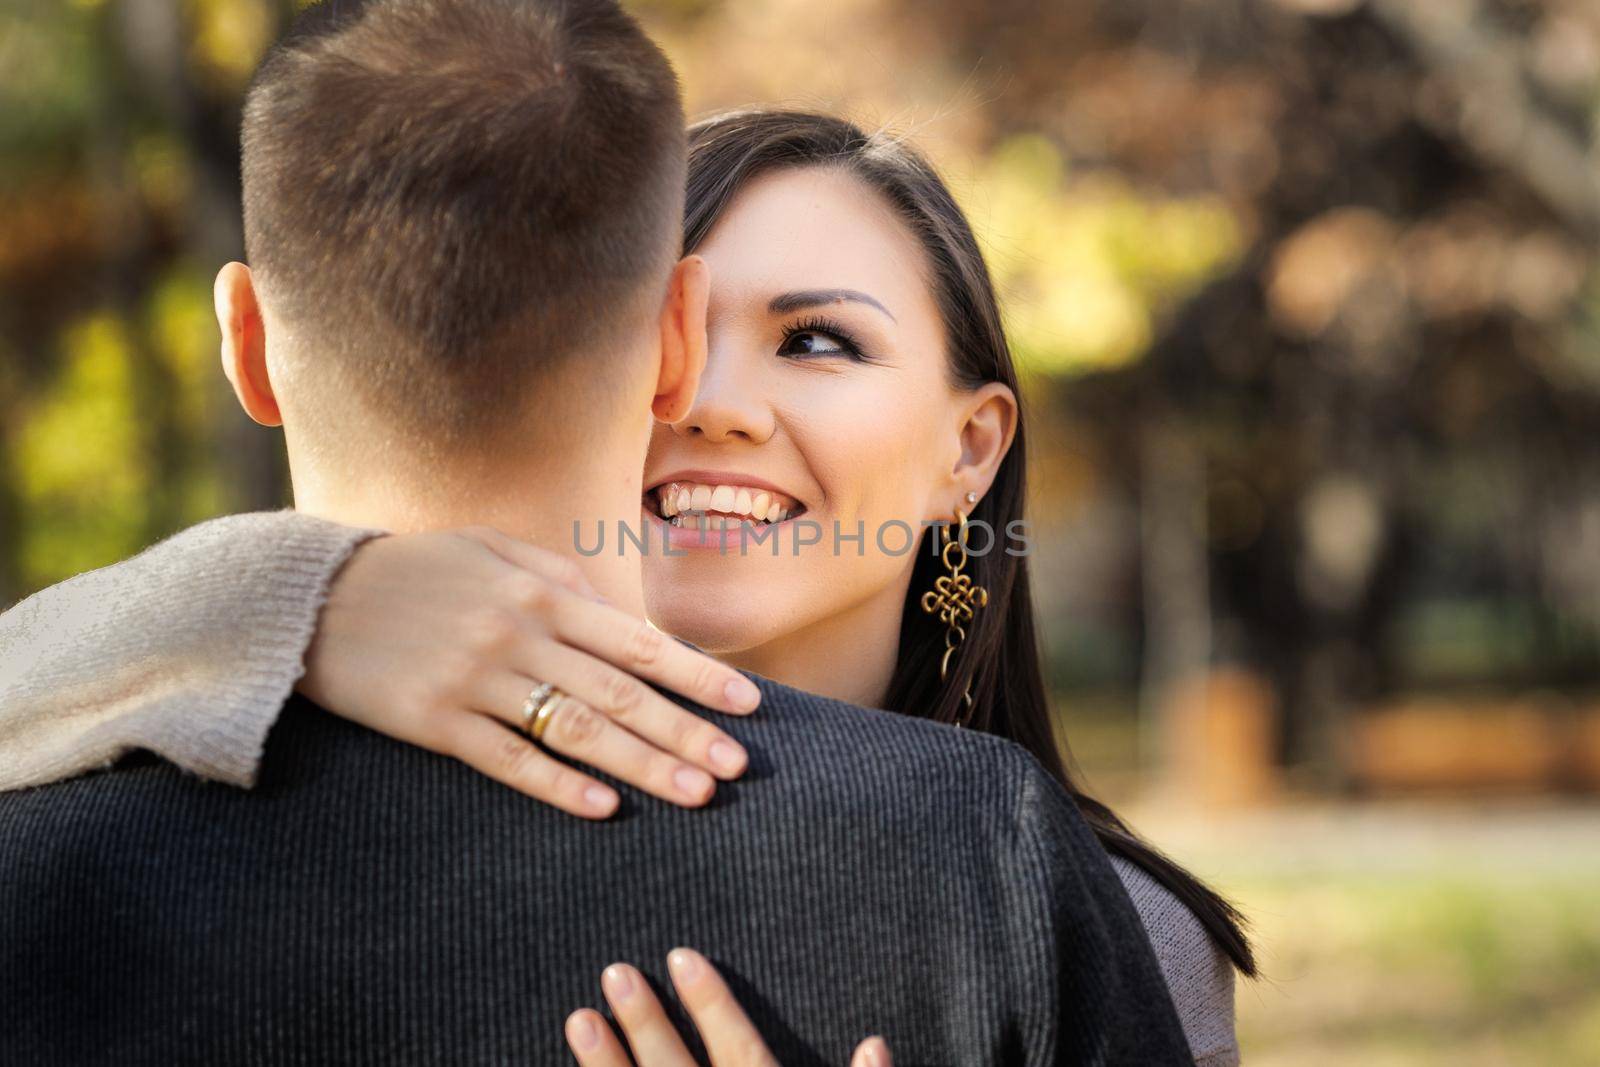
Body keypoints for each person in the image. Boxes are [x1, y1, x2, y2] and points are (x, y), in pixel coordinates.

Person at [0, 0, 1195, 1063]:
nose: (712, 405)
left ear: (973, 447)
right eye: (692, 335)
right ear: (660, 340)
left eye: (818, 339)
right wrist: (287, 599)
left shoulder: (1046, 892)